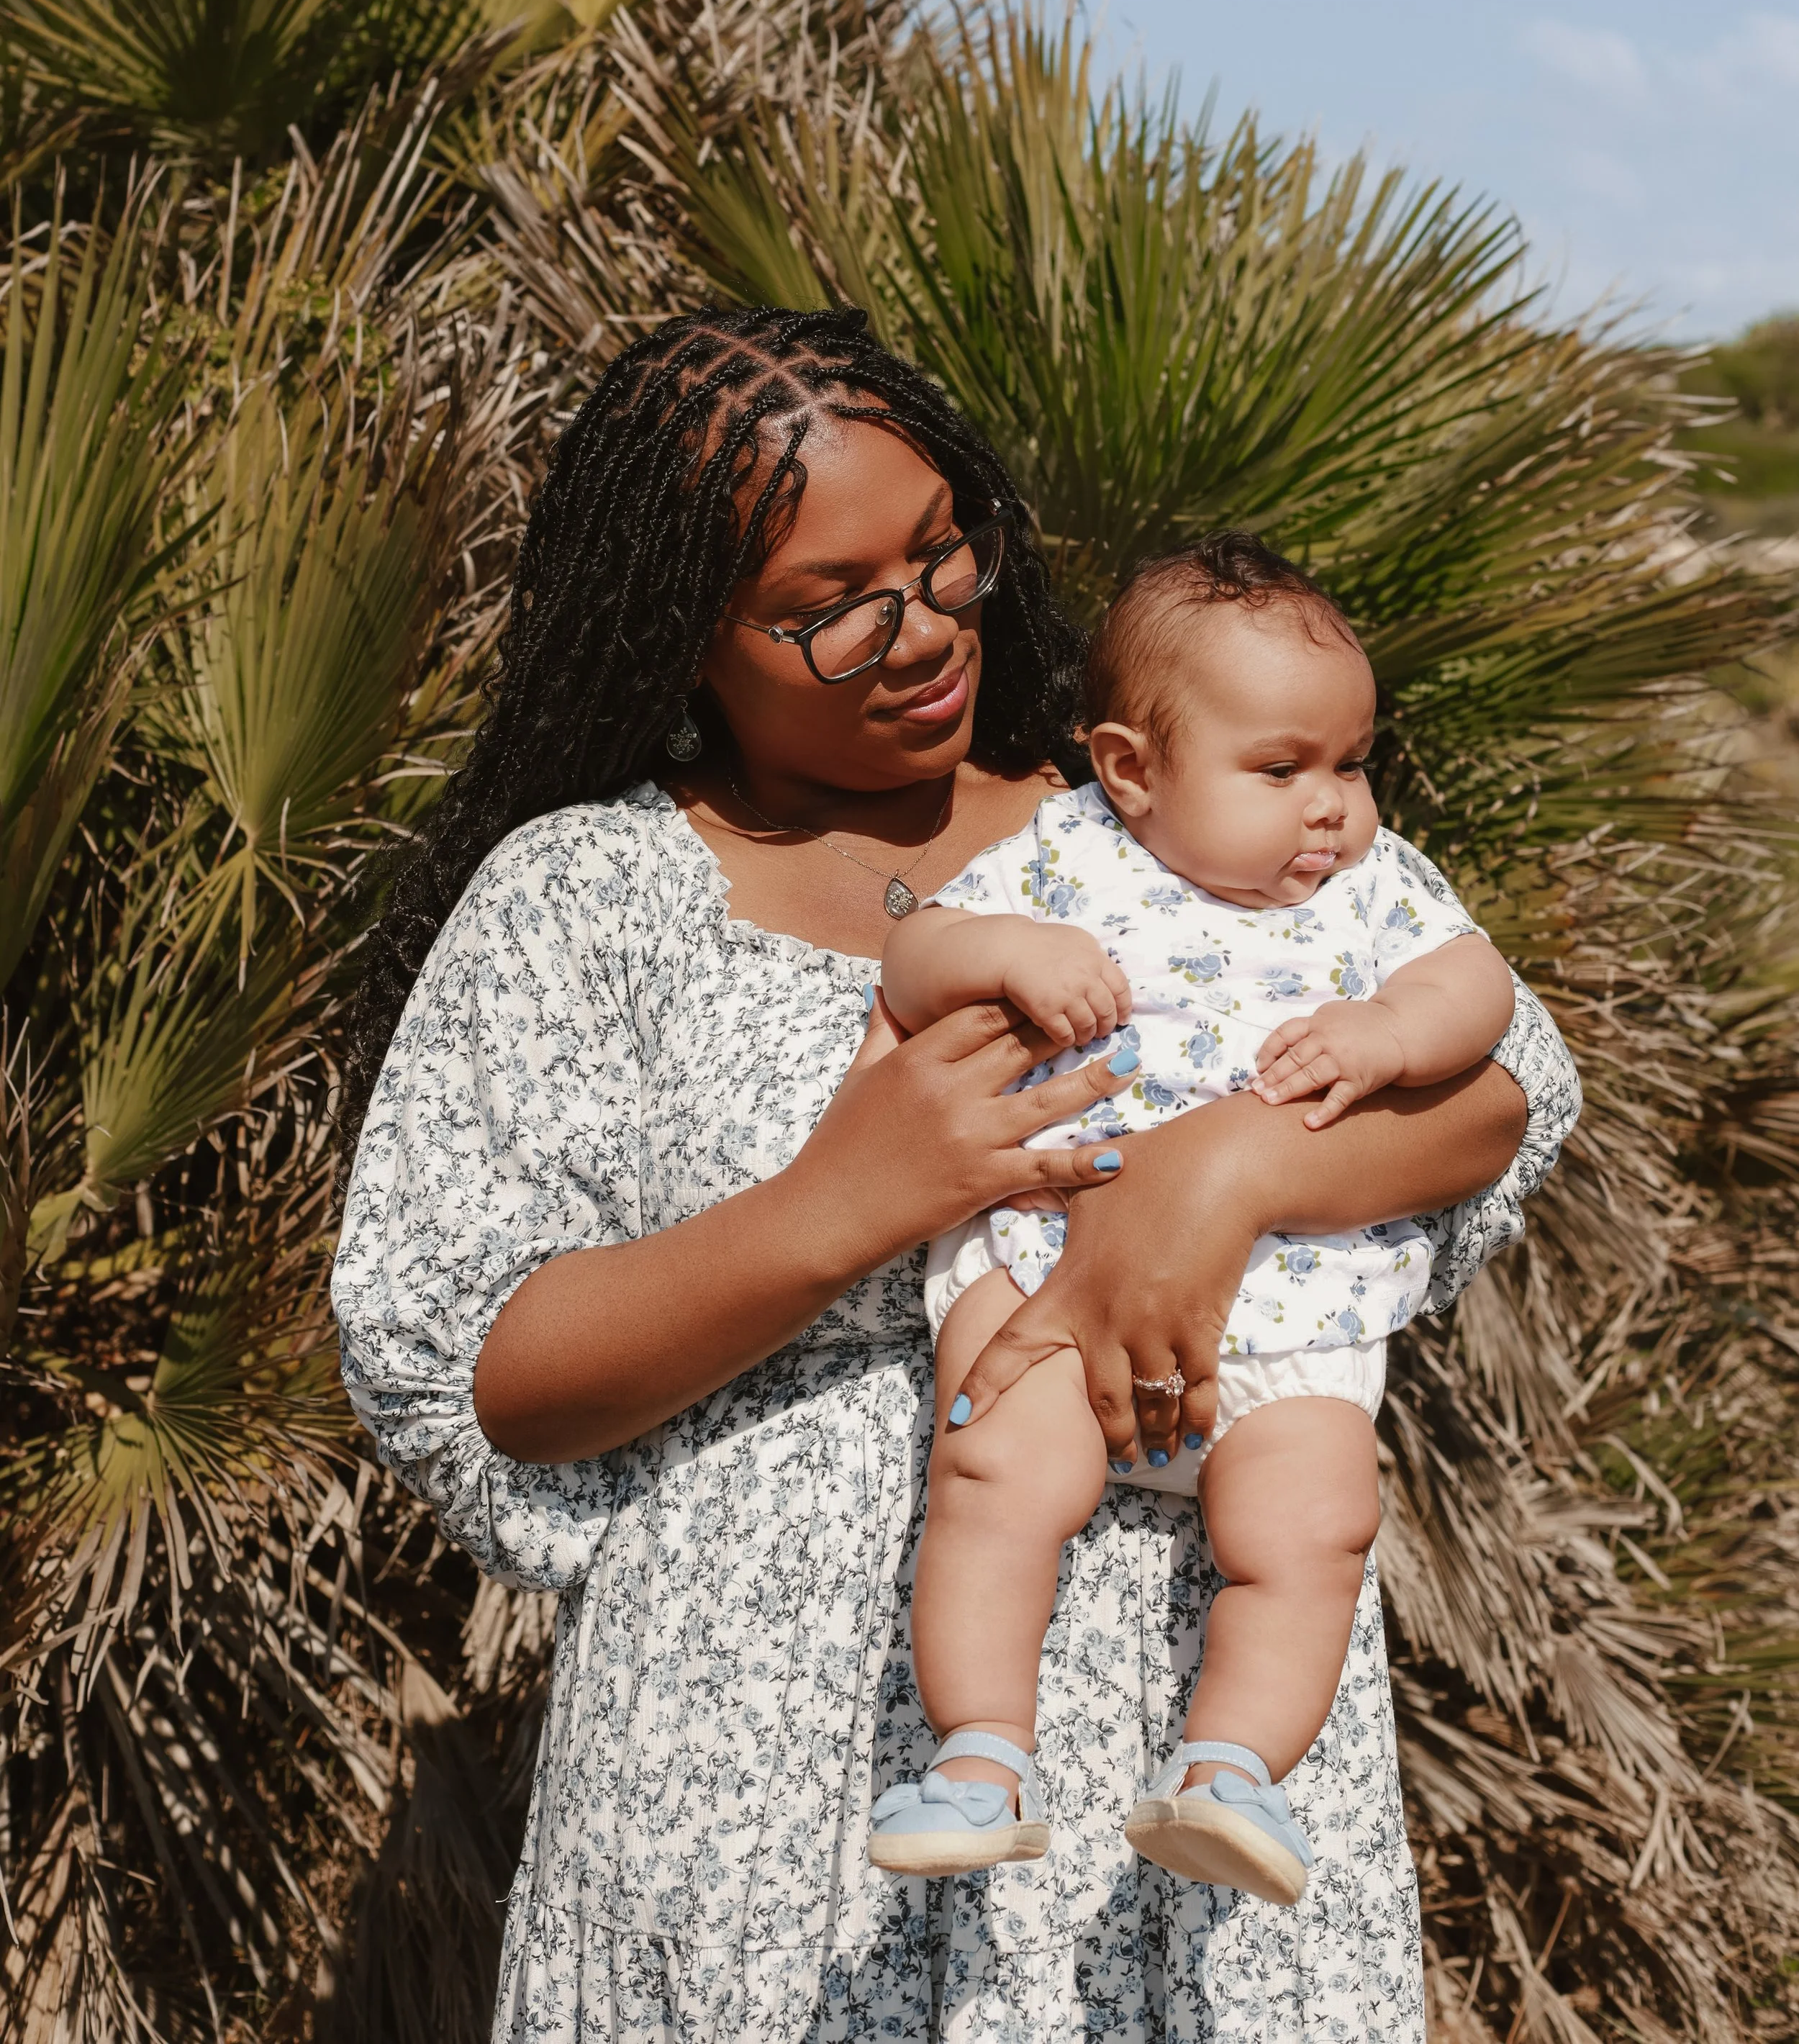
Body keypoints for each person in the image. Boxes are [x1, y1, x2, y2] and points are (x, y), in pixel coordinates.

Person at [331, 304, 1582, 2043]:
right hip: (747, 1775)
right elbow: (504, 1383)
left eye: (939, 558)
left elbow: (1498, 1096)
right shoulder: (585, 898)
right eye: (826, 605)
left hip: (1171, 1722)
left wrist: (1226, 1171)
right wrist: (841, 1200)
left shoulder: (1160, 820)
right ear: (678, 632)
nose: (915, 631)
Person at [865, 535, 1517, 1904]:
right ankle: (980, 1751)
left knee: (1317, 1528)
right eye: (1282, 769)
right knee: (993, 1481)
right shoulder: (1063, 857)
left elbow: (1480, 986)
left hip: (1289, 1302)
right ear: (1132, 769)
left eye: (1351, 760)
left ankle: (1230, 1771)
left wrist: (1388, 1028)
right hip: (1060, 1261)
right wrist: (1004, 952)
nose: (1332, 805)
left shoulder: (1372, 888)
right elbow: (916, 955)